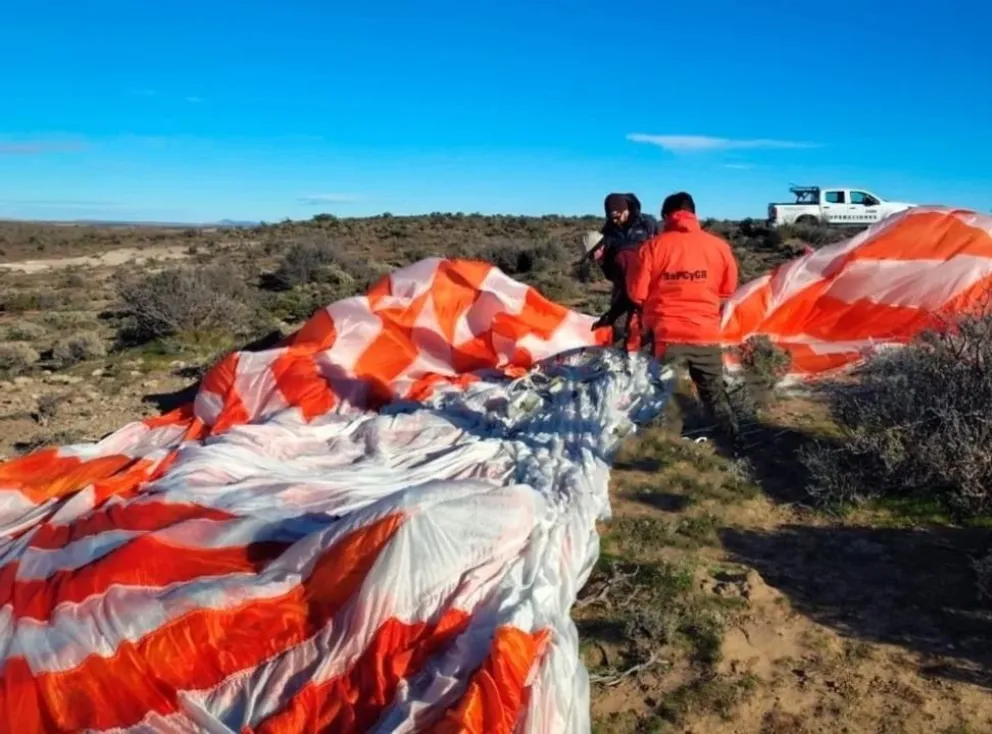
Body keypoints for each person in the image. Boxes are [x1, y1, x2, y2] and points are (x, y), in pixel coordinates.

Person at [627, 191, 739, 438]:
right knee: (713, 391)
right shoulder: (719, 246)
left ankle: (668, 446)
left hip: (666, 335)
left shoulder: (652, 247)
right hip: (705, 333)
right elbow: (728, 289)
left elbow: (637, 294)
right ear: (693, 213)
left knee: (668, 392)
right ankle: (729, 443)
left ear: (666, 216)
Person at [584, 192, 658, 351]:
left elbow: (661, 246)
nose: (615, 221)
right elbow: (605, 256)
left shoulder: (647, 223)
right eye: (611, 218)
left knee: (648, 319)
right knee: (622, 321)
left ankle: (648, 351)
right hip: (623, 279)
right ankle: (625, 349)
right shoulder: (609, 230)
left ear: (626, 210)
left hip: (650, 278)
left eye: (618, 216)